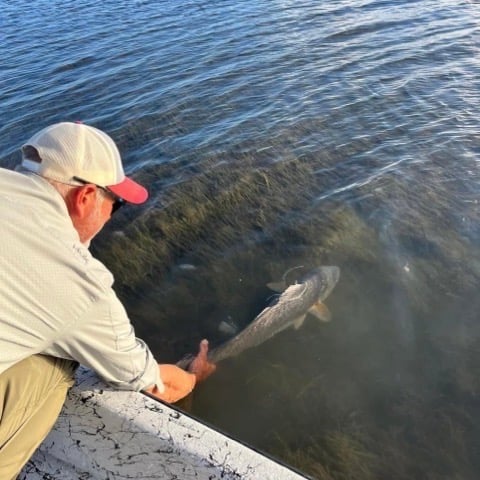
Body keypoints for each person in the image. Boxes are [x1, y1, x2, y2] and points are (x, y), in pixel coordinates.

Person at [0, 122, 216, 479]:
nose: (111, 215)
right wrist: (195, 377)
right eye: (114, 205)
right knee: (58, 363)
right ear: (85, 197)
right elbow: (152, 382)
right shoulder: (79, 283)